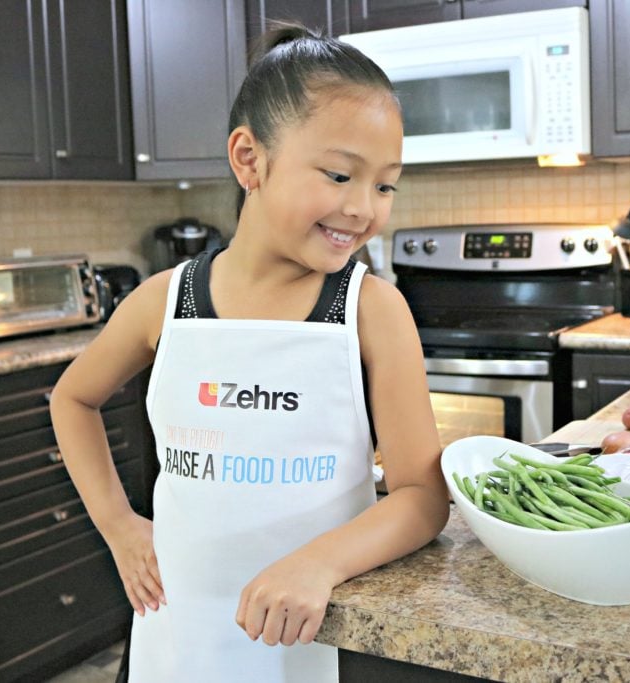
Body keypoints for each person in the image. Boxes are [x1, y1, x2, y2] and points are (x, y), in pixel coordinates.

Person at [49, 23, 449, 683]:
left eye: (385, 185)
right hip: (176, 636)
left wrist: (319, 561)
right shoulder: (164, 303)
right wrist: (120, 525)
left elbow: (421, 495)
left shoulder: (372, 311)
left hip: (311, 641)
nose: (363, 207)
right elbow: (73, 397)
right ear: (249, 159)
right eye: (341, 174)